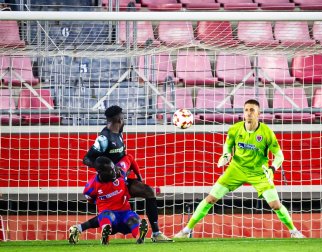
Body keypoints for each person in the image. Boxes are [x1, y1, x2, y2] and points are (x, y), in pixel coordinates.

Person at [174, 99, 304, 239]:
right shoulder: (235, 129)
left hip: (259, 172)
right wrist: (226, 155)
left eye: (252, 110)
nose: (248, 113)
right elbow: (228, 146)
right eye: (246, 110)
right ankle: (186, 231)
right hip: (236, 169)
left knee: (275, 205)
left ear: (258, 113)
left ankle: (294, 232)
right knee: (211, 198)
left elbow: (279, 155)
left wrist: (272, 168)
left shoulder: (267, 133)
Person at [69, 105, 172, 244]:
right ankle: (83, 228)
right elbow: (86, 159)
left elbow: (124, 156)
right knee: (111, 213)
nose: (124, 118)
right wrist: (105, 168)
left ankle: (156, 233)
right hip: (109, 181)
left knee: (149, 191)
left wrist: (131, 172)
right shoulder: (103, 139)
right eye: (122, 116)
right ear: (118, 118)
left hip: (122, 178)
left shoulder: (119, 132)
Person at [83, 156, 148, 244]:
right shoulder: (91, 186)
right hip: (109, 215)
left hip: (125, 213)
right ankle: (105, 236)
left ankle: (139, 237)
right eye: (110, 170)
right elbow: (89, 198)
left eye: (114, 168)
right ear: (100, 172)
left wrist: (139, 176)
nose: (114, 172)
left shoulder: (120, 171)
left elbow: (130, 158)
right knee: (106, 215)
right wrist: (100, 202)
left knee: (133, 219)